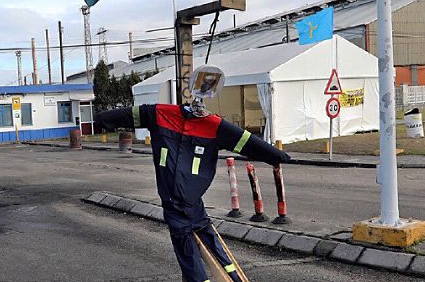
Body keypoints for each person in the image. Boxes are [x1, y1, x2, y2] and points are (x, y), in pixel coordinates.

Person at [95, 66, 289, 282]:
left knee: (186, 249)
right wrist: (277, 156)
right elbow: (246, 141)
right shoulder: (168, 116)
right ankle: (233, 277)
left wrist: (101, 119)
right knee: (207, 237)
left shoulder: (174, 117)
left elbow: (245, 141)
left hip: (175, 202)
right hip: (192, 201)